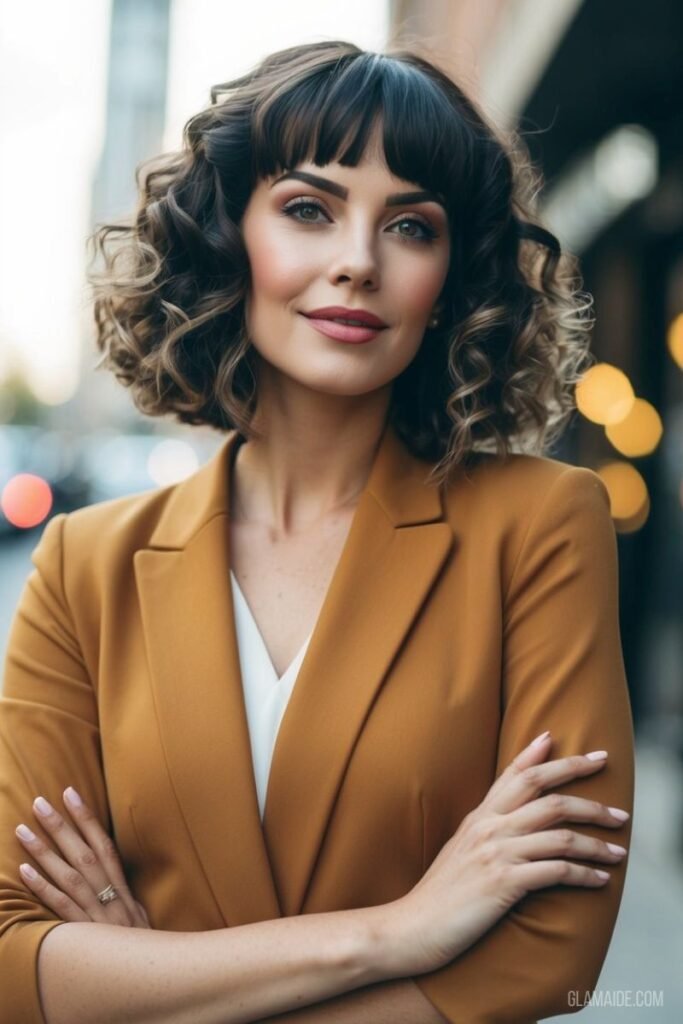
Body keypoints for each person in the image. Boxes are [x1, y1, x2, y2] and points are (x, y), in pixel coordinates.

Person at [0, 39, 634, 1024]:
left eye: (410, 227)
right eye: (307, 208)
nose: (356, 261)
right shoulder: (86, 565)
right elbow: (13, 955)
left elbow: (551, 953)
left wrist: (146, 983)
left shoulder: (540, 526)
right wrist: (397, 930)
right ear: (226, 237)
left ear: (449, 280)